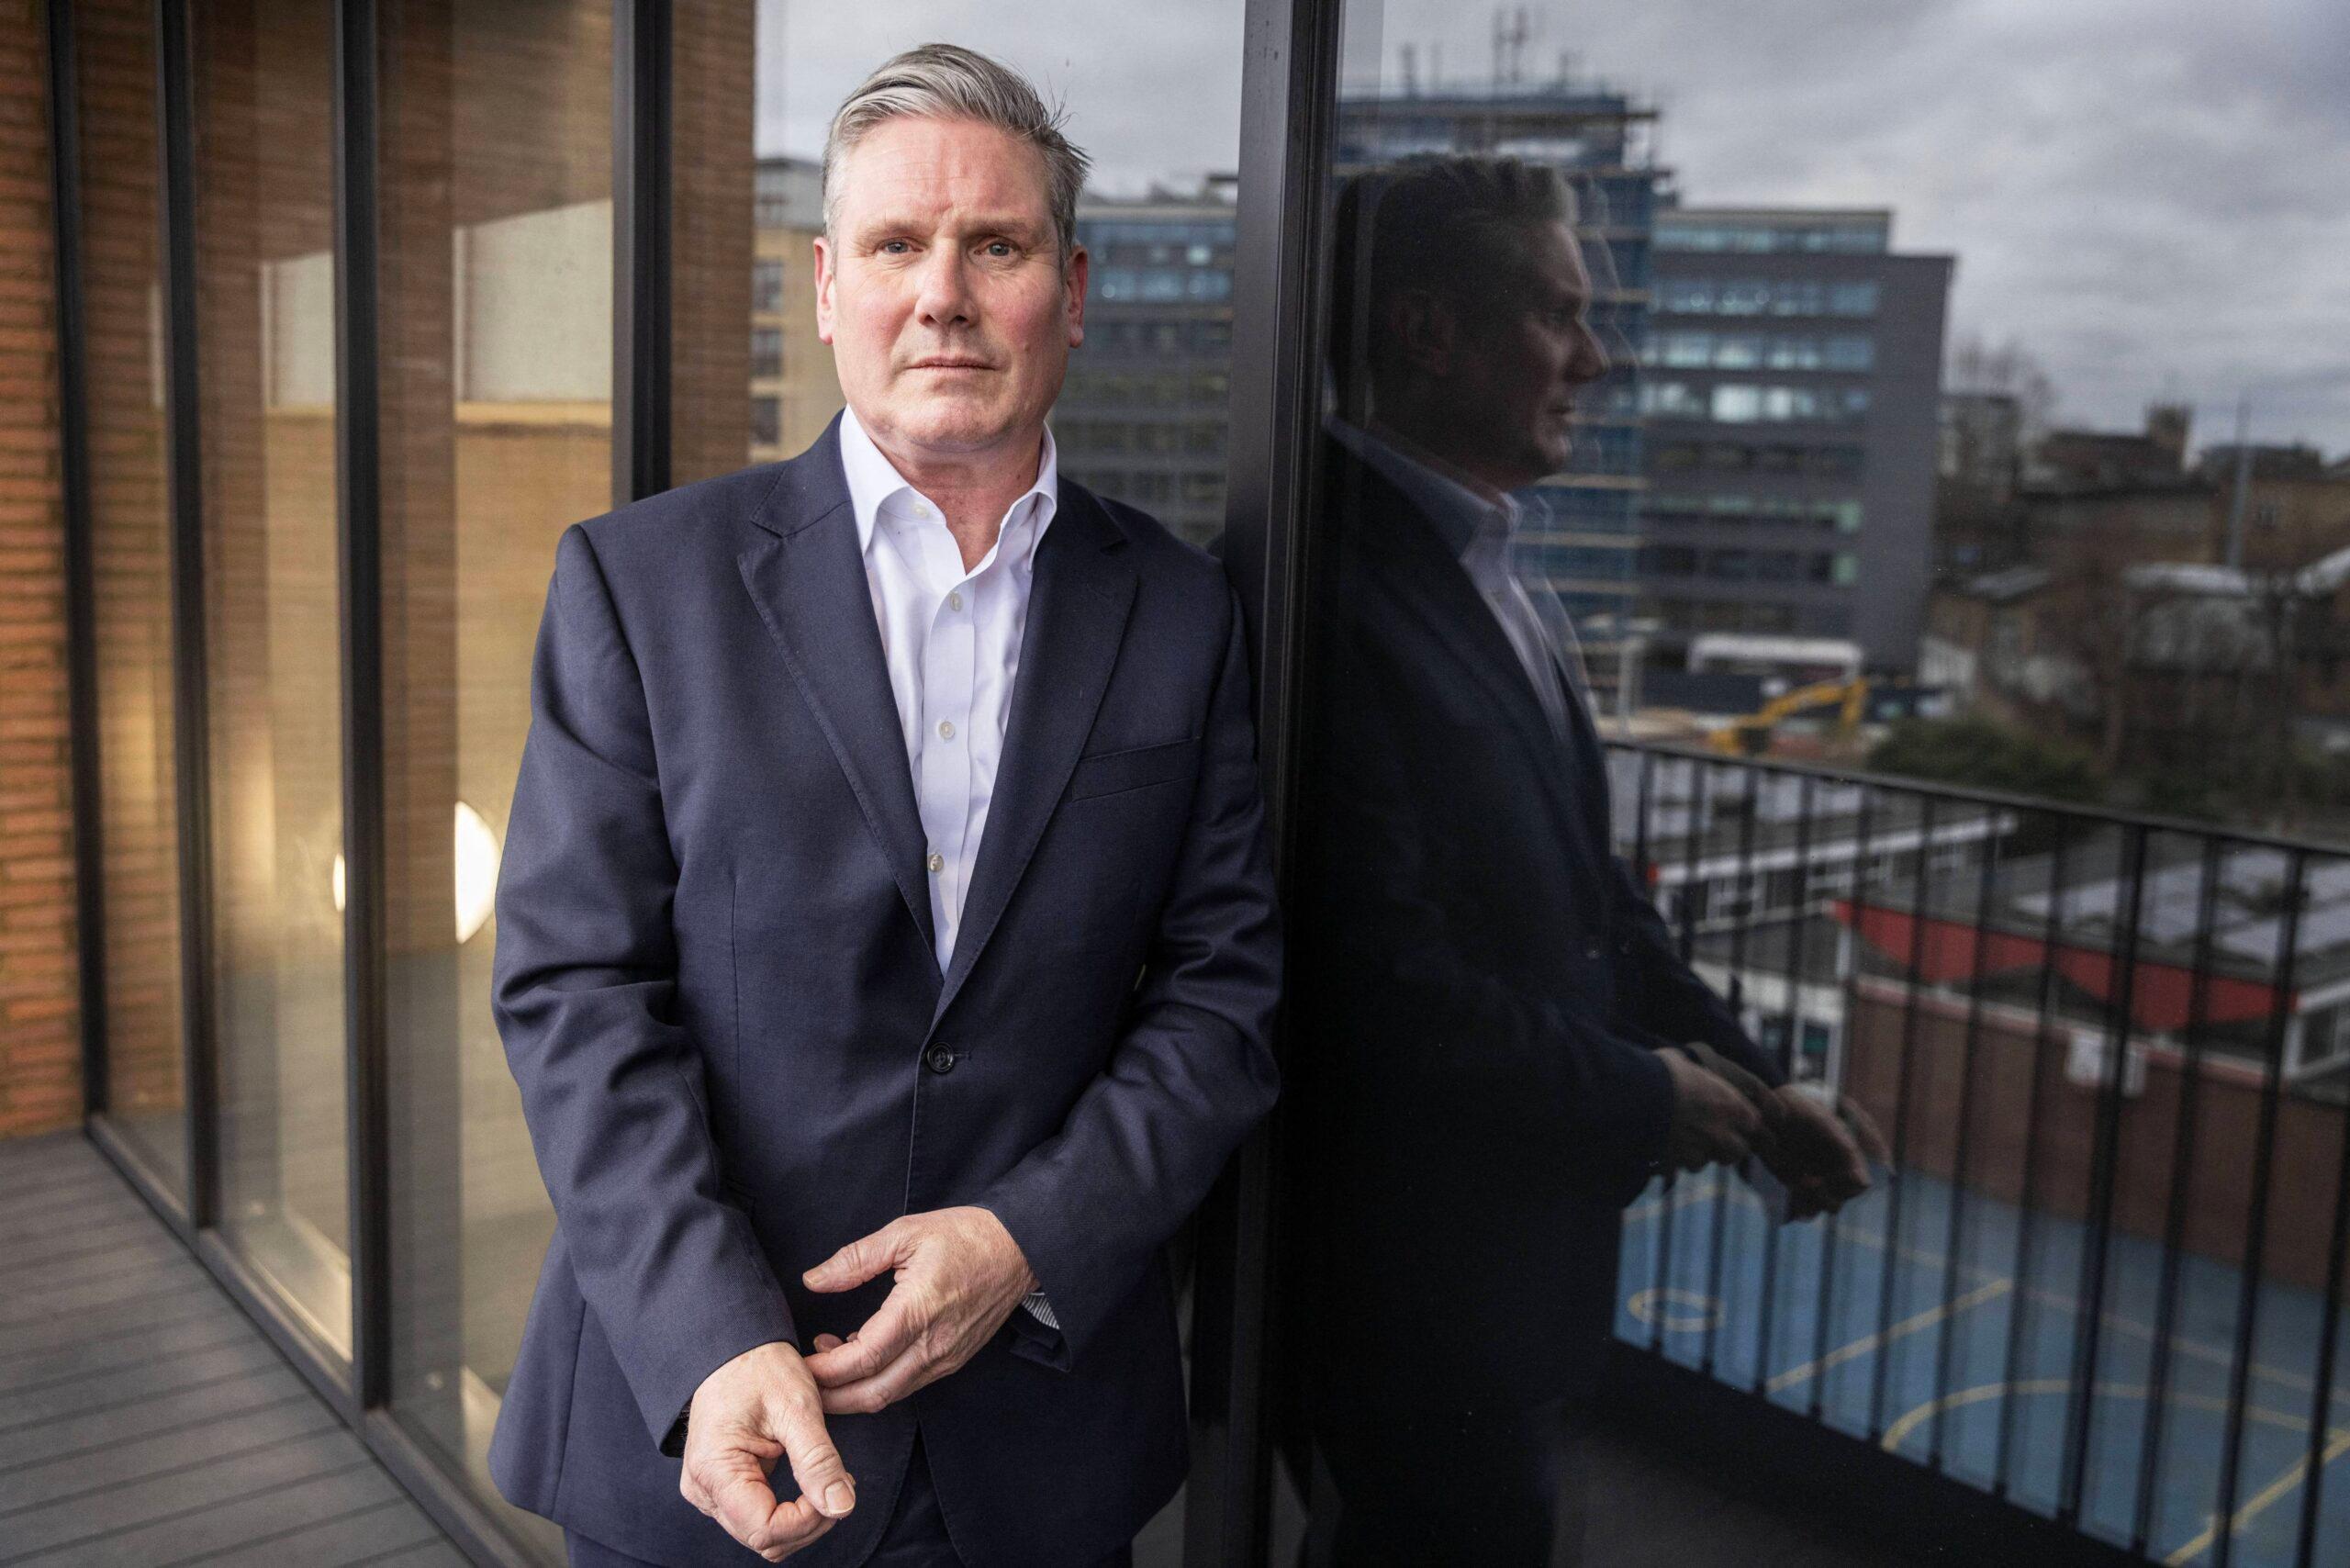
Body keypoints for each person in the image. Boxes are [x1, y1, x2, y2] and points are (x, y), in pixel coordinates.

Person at [485, 42, 1281, 1568]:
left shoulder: (1182, 613)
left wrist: (1027, 1238)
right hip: (711, 1435)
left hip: (1037, 1441)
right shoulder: (640, 585)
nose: (946, 294)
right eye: (898, 245)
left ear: (1074, 285)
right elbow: (577, 989)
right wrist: (713, 1337)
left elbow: (1221, 996)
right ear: (827, 282)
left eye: (999, 244)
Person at [1276, 154, 1885, 1565]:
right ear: (1431, 332)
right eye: (1559, 313)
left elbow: (1591, 900)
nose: (1594, 358)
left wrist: (1753, 1081)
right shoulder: (1324, 589)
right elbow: (1372, 986)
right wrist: (1634, 1096)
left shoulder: (1486, 570)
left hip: (1502, 1274)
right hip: (1410, 1290)